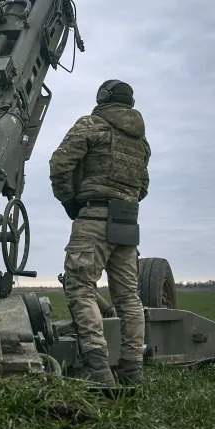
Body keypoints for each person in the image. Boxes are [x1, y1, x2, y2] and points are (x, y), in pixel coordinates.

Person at [48, 79, 151, 388]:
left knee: (79, 287)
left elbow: (60, 163)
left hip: (92, 217)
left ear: (103, 98)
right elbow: (143, 187)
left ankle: (99, 371)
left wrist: (69, 200)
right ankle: (132, 371)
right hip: (127, 222)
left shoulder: (91, 125)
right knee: (128, 297)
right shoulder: (141, 142)